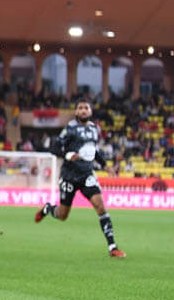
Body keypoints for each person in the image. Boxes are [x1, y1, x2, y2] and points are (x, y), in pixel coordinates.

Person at [34, 100, 124, 258]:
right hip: (69, 176)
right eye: (80, 108)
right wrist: (68, 155)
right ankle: (48, 209)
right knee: (63, 215)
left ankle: (113, 247)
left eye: (86, 108)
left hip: (87, 175)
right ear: (76, 112)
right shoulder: (70, 128)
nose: (83, 110)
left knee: (101, 207)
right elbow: (54, 148)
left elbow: (93, 151)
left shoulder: (94, 129)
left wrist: (105, 165)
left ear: (90, 111)